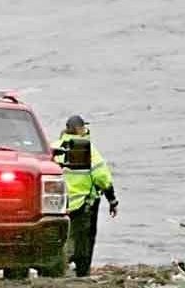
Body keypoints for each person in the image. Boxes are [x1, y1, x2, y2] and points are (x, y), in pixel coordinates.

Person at [52, 115, 118, 278]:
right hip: (84, 205)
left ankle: (55, 268)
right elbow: (102, 178)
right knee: (84, 242)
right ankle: (82, 273)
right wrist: (112, 200)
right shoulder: (89, 150)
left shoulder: (53, 147)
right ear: (80, 129)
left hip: (56, 204)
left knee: (58, 239)